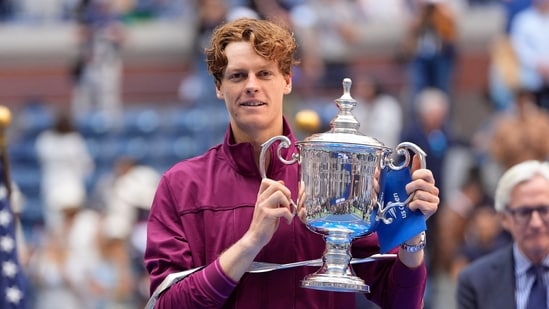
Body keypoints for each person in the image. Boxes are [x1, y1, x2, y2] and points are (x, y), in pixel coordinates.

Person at [144, 18, 440, 308]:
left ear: (286, 81)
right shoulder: (181, 185)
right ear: (219, 87)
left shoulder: (340, 174)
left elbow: (401, 301)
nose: (251, 85)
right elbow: (166, 304)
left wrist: (411, 237)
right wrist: (251, 242)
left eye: (264, 74)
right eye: (237, 76)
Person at [456, 160, 549, 309]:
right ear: (504, 218)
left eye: (544, 210)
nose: (536, 223)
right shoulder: (476, 281)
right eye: (524, 212)